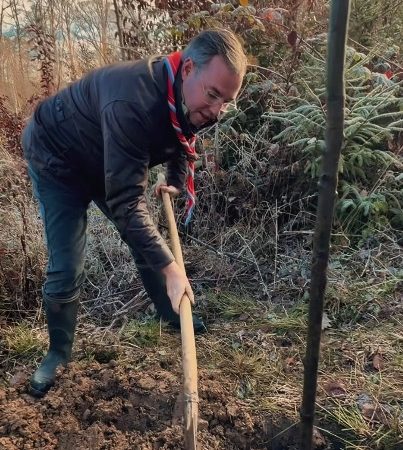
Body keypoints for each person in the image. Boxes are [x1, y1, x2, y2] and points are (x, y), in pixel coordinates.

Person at [21, 28, 247, 397]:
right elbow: (127, 203)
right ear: (189, 69)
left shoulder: (183, 93)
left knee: (146, 239)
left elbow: (182, 133)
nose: (216, 111)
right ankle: (58, 354)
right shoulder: (132, 100)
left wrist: (175, 180)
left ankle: (170, 314)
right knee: (67, 264)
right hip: (58, 159)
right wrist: (172, 269)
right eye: (213, 95)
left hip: (107, 157)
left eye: (227, 102)